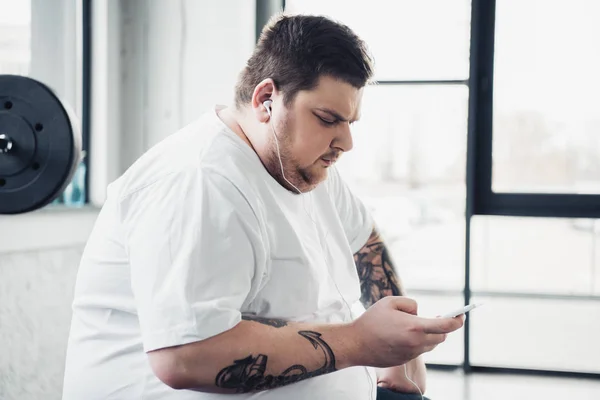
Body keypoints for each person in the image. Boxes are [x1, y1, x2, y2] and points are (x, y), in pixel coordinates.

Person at [62, 13, 464, 400]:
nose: (346, 142)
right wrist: (361, 342)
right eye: (327, 119)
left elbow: (364, 240)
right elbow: (184, 357)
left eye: (349, 123)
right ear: (266, 99)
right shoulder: (199, 181)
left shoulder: (305, 163)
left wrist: (399, 353)